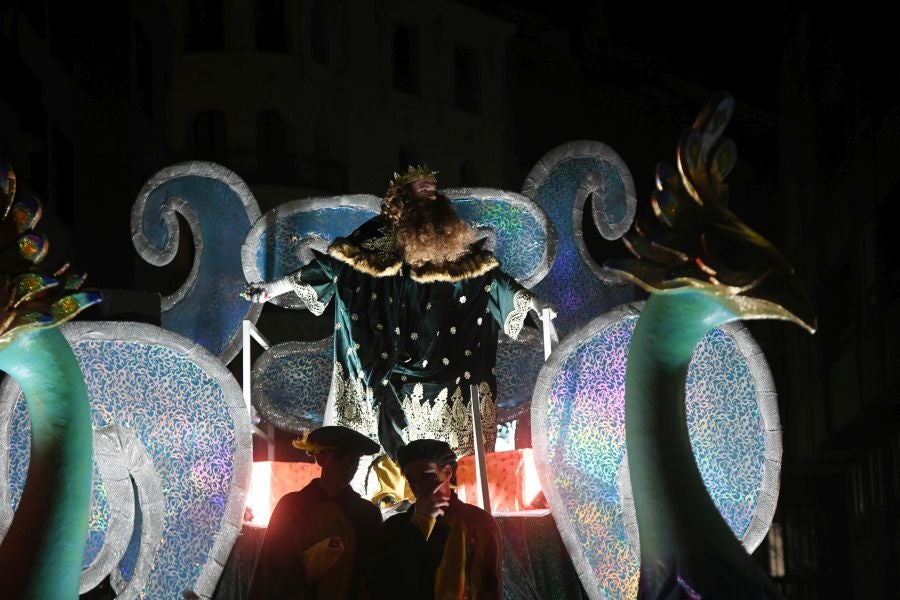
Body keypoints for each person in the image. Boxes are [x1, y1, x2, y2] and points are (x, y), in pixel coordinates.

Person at [244, 165, 549, 475]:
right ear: (403, 196)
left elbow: (490, 277)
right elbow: (330, 268)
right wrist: (274, 288)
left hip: (445, 360)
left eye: (433, 188)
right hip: (382, 357)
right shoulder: (376, 237)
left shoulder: (453, 243)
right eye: (422, 188)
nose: (431, 193)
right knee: (381, 425)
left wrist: (532, 302)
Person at [248, 426, 383, 600]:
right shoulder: (291, 507)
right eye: (340, 458)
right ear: (319, 458)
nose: (349, 466)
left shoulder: (366, 514)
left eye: (354, 460)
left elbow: (373, 577)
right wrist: (312, 562)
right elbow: (271, 571)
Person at [367, 439, 503, 599]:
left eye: (426, 477)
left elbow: (491, 586)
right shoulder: (396, 526)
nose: (418, 486)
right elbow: (384, 582)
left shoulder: (479, 523)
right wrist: (420, 523)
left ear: (447, 472)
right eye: (411, 479)